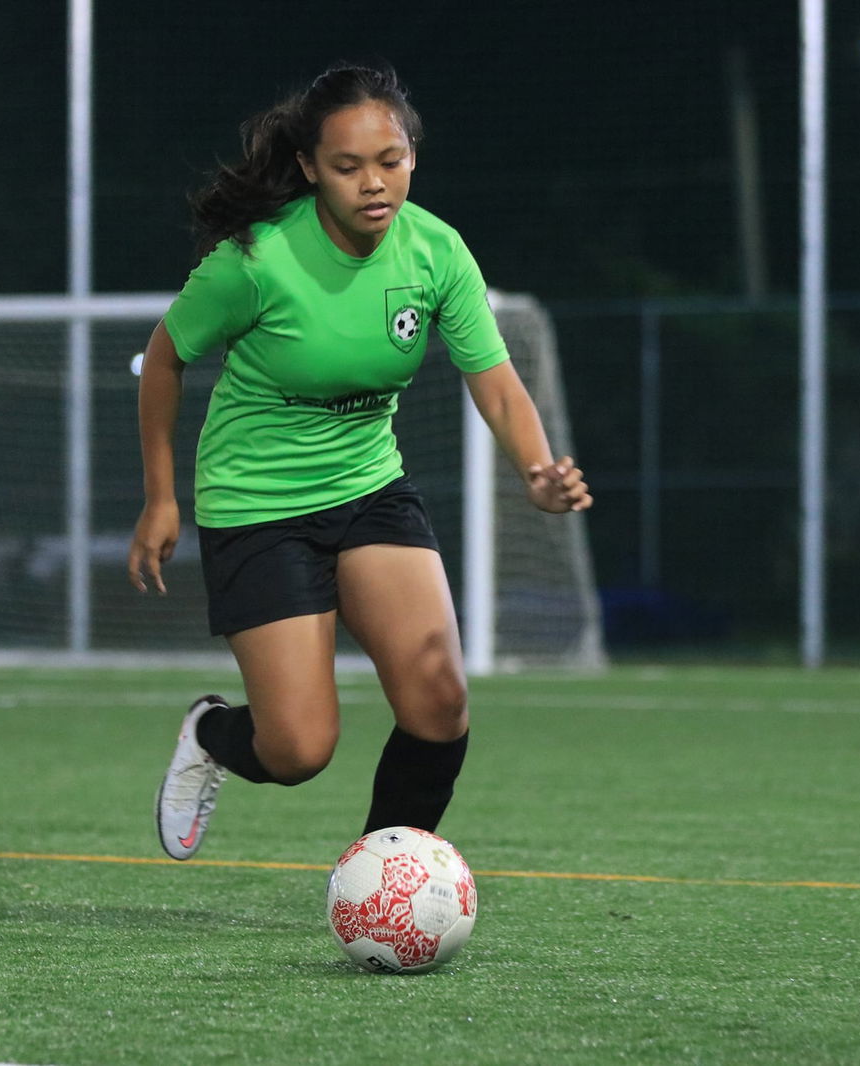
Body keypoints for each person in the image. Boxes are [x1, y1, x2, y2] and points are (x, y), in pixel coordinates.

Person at [127, 65, 592, 861]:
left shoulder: (436, 250)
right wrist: (161, 498)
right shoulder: (257, 260)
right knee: (299, 751)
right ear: (309, 168)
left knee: (439, 702)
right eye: (347, 167)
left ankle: (381, 878)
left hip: (370, 491)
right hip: (256, 504)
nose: (374, 184)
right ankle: (211, 732)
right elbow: (164, 361)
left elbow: (500, 385)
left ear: (413, 154)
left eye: (392, 160)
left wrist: (538, 471)